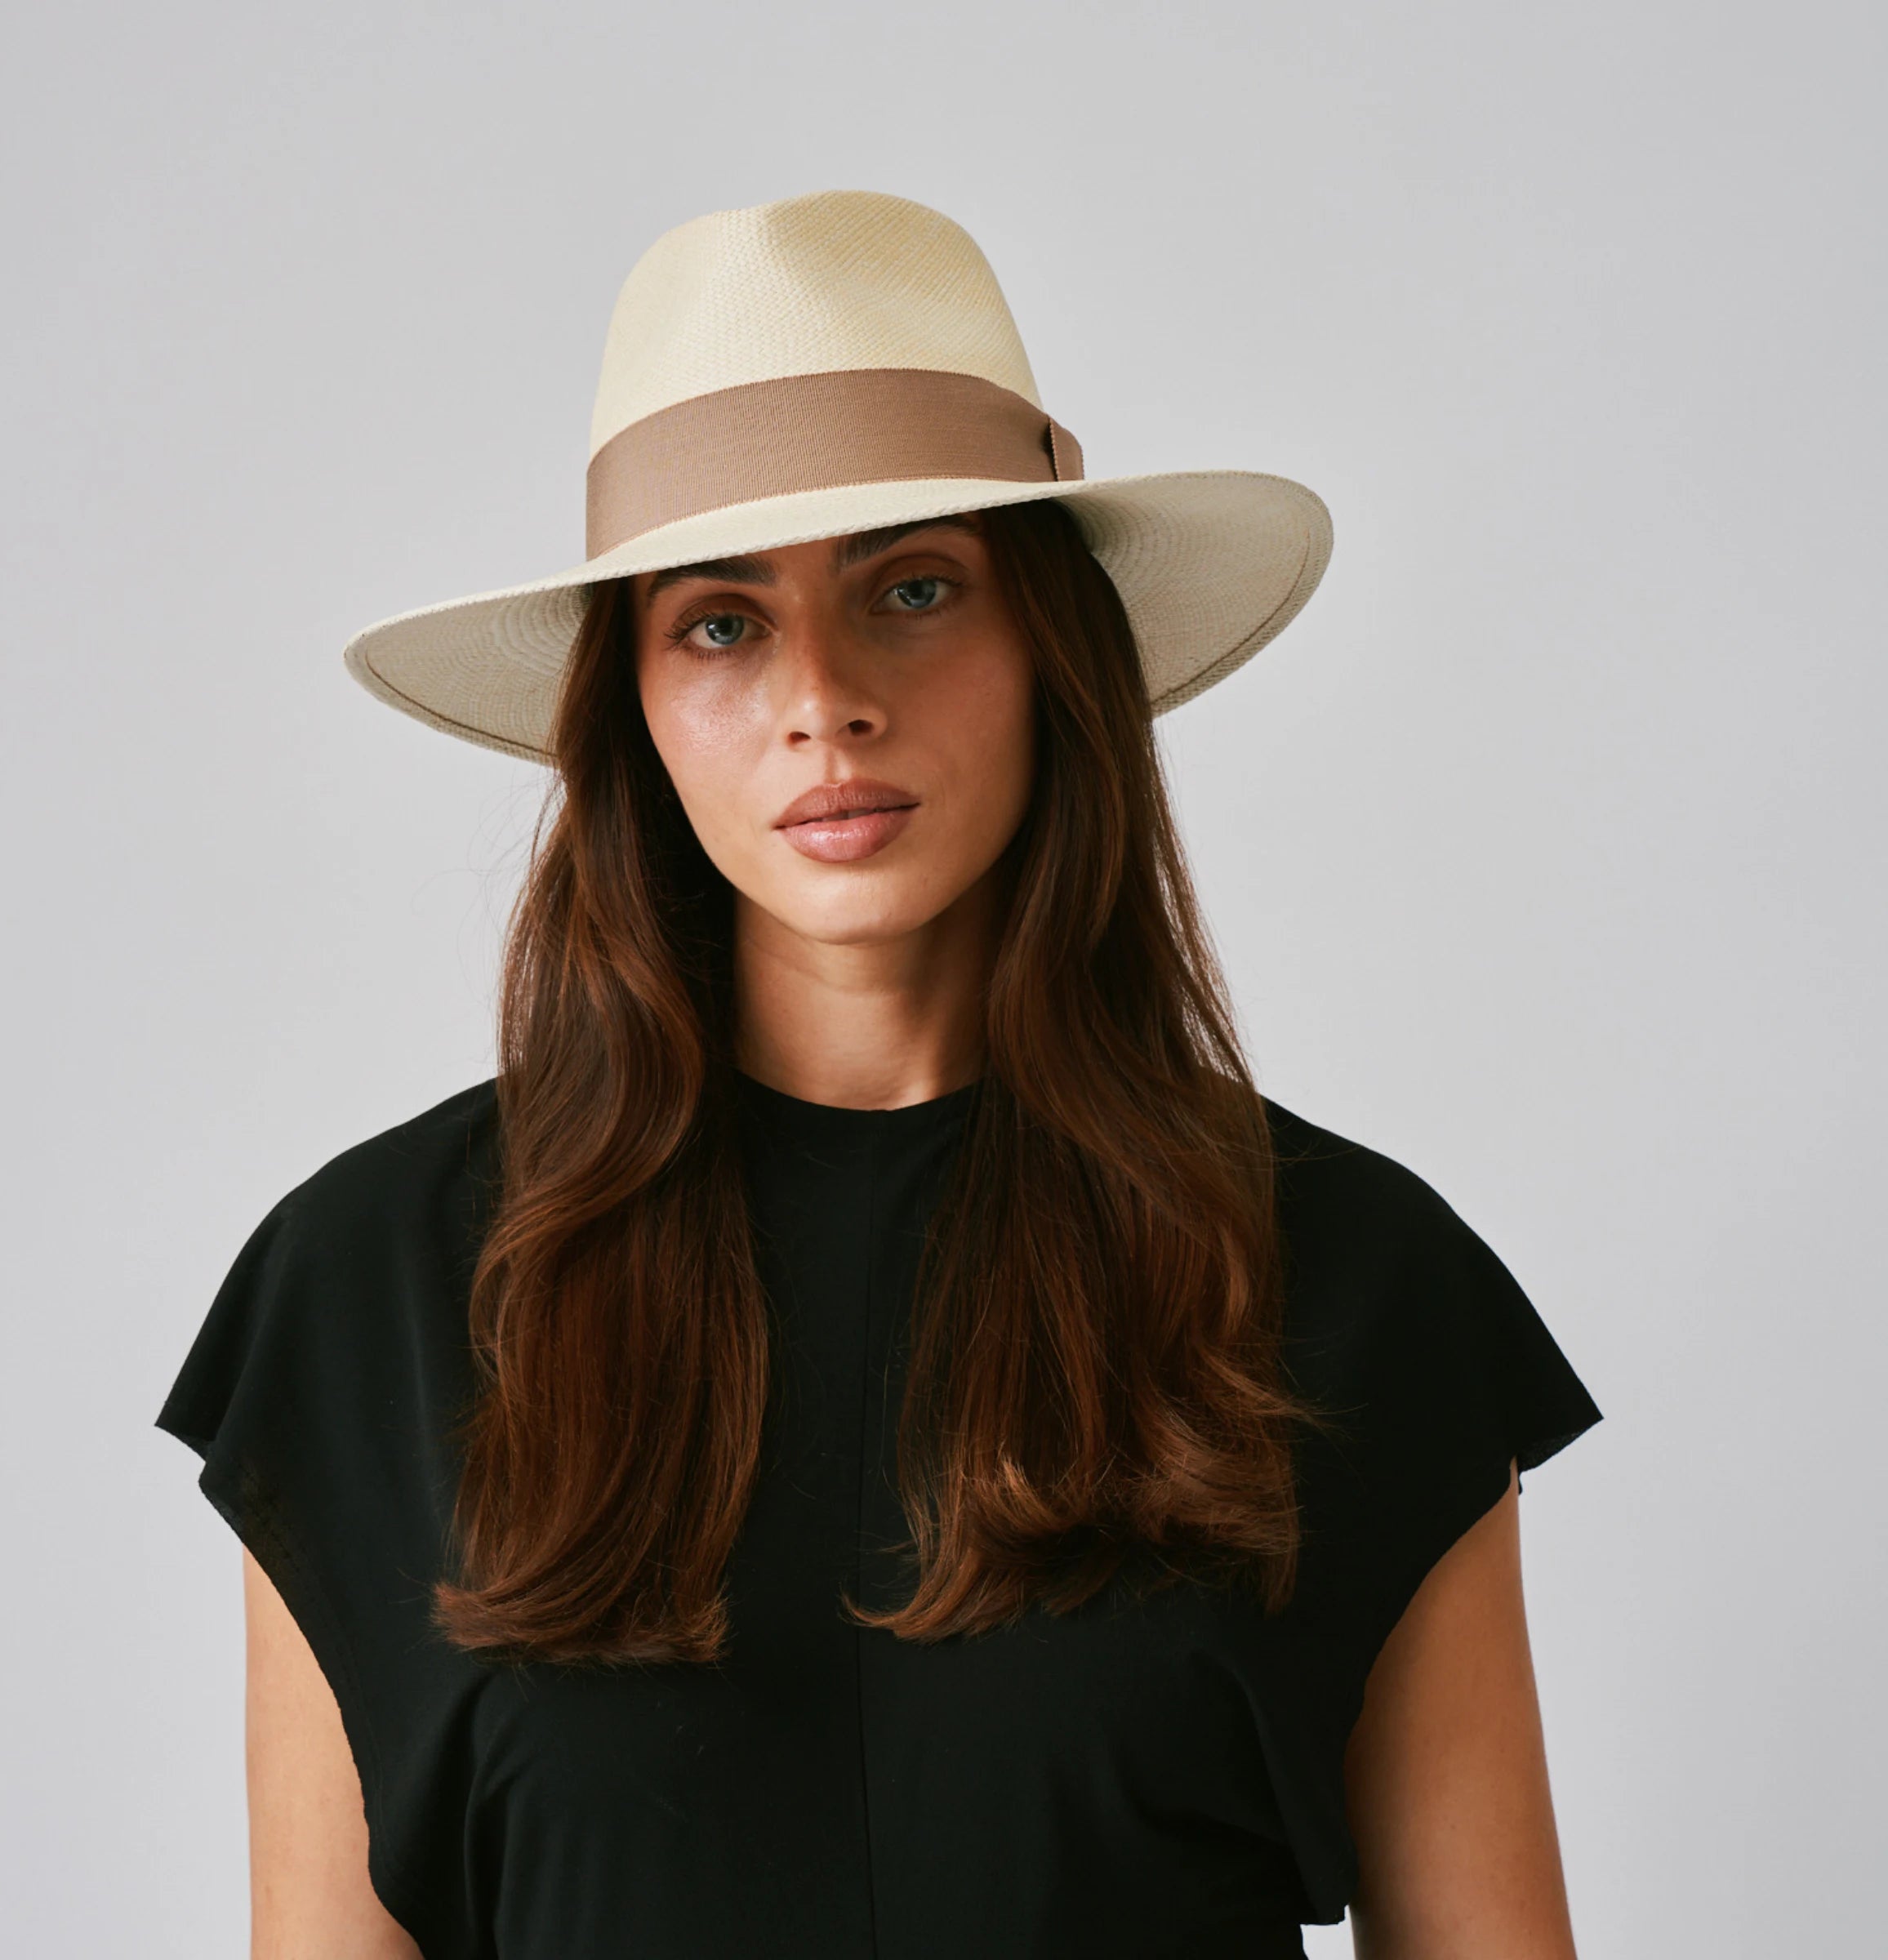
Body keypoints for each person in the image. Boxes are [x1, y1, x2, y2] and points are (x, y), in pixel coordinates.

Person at [158, 189, 1602, 1960]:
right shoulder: (368, 1291)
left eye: (913, 588)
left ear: (1049, 649)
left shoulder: (1355, 1282)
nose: (823, 700)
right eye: (717, 623)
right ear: (630, 706)